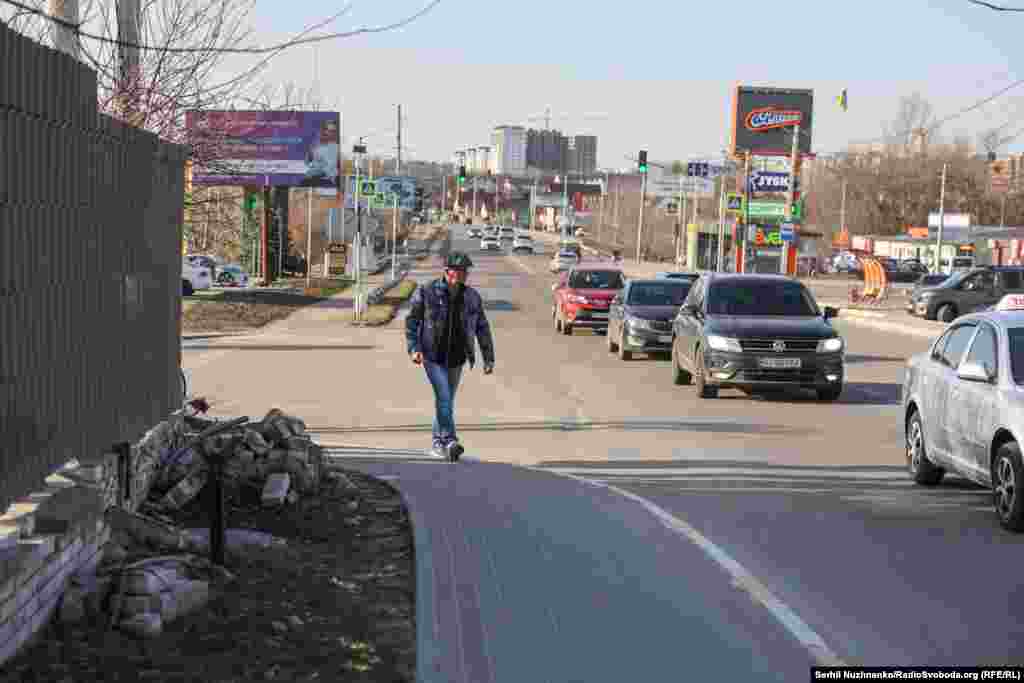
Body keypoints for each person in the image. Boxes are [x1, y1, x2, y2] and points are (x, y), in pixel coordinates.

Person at [405, 251, 495, 461]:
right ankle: (450, 440)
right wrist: (413, 348)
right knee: (444, 397)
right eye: (457, 271)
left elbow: (482, 327)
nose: (462, 275)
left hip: (457, 358)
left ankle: (438, 443)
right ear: (446, 271)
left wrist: (488, 357)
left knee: (445, 401)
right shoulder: (427, 291)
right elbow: (412, 321)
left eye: (464, 272)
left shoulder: (471, 297)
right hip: (431, 355)